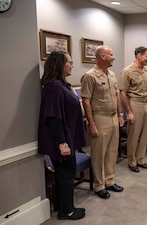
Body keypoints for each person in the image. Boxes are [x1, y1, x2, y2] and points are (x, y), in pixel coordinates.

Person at [38, 51, 86, 220]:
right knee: (65, 176)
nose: (72, 65)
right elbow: (53, 118)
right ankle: (67, 211)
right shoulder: (53, 88)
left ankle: (67, 207)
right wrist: (62, 143)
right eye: (70, 62)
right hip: (63, 141)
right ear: (60, 64)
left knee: (67, 174)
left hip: (69, 138)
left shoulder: (62, 85)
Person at [81, 45, 124, 199]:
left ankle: (109, 181)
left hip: (113, 117)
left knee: (112, 152)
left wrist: (120, 114)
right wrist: (91, 123)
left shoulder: (112, 75)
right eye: (111, 54)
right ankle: (99, 185)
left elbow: (117, 96)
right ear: (102, 57)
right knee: (99, 153)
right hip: (99, 118)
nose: (114, 57)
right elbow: (86, 102)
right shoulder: (90, 76)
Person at [118, 46, 147, 173]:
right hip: (135, 104)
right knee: (134, 135)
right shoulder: (127, 71)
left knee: (144, 134)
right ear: (138, 56)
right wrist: (128, 112)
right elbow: (122, 93)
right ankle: (132, 161)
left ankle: (140, 159)